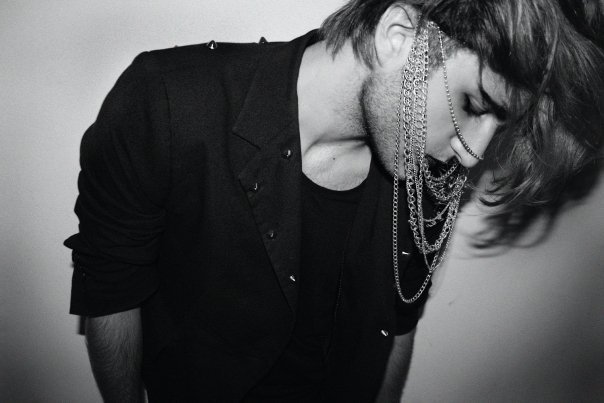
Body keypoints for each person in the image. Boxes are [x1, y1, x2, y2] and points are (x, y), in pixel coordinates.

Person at [64, 0, 604, 402]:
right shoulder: (167, 102)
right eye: (473, 104)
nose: (474, 153)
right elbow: (111, 291)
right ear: (398, 36)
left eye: (498, 126)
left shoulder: (429, 180)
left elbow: (396, 325)